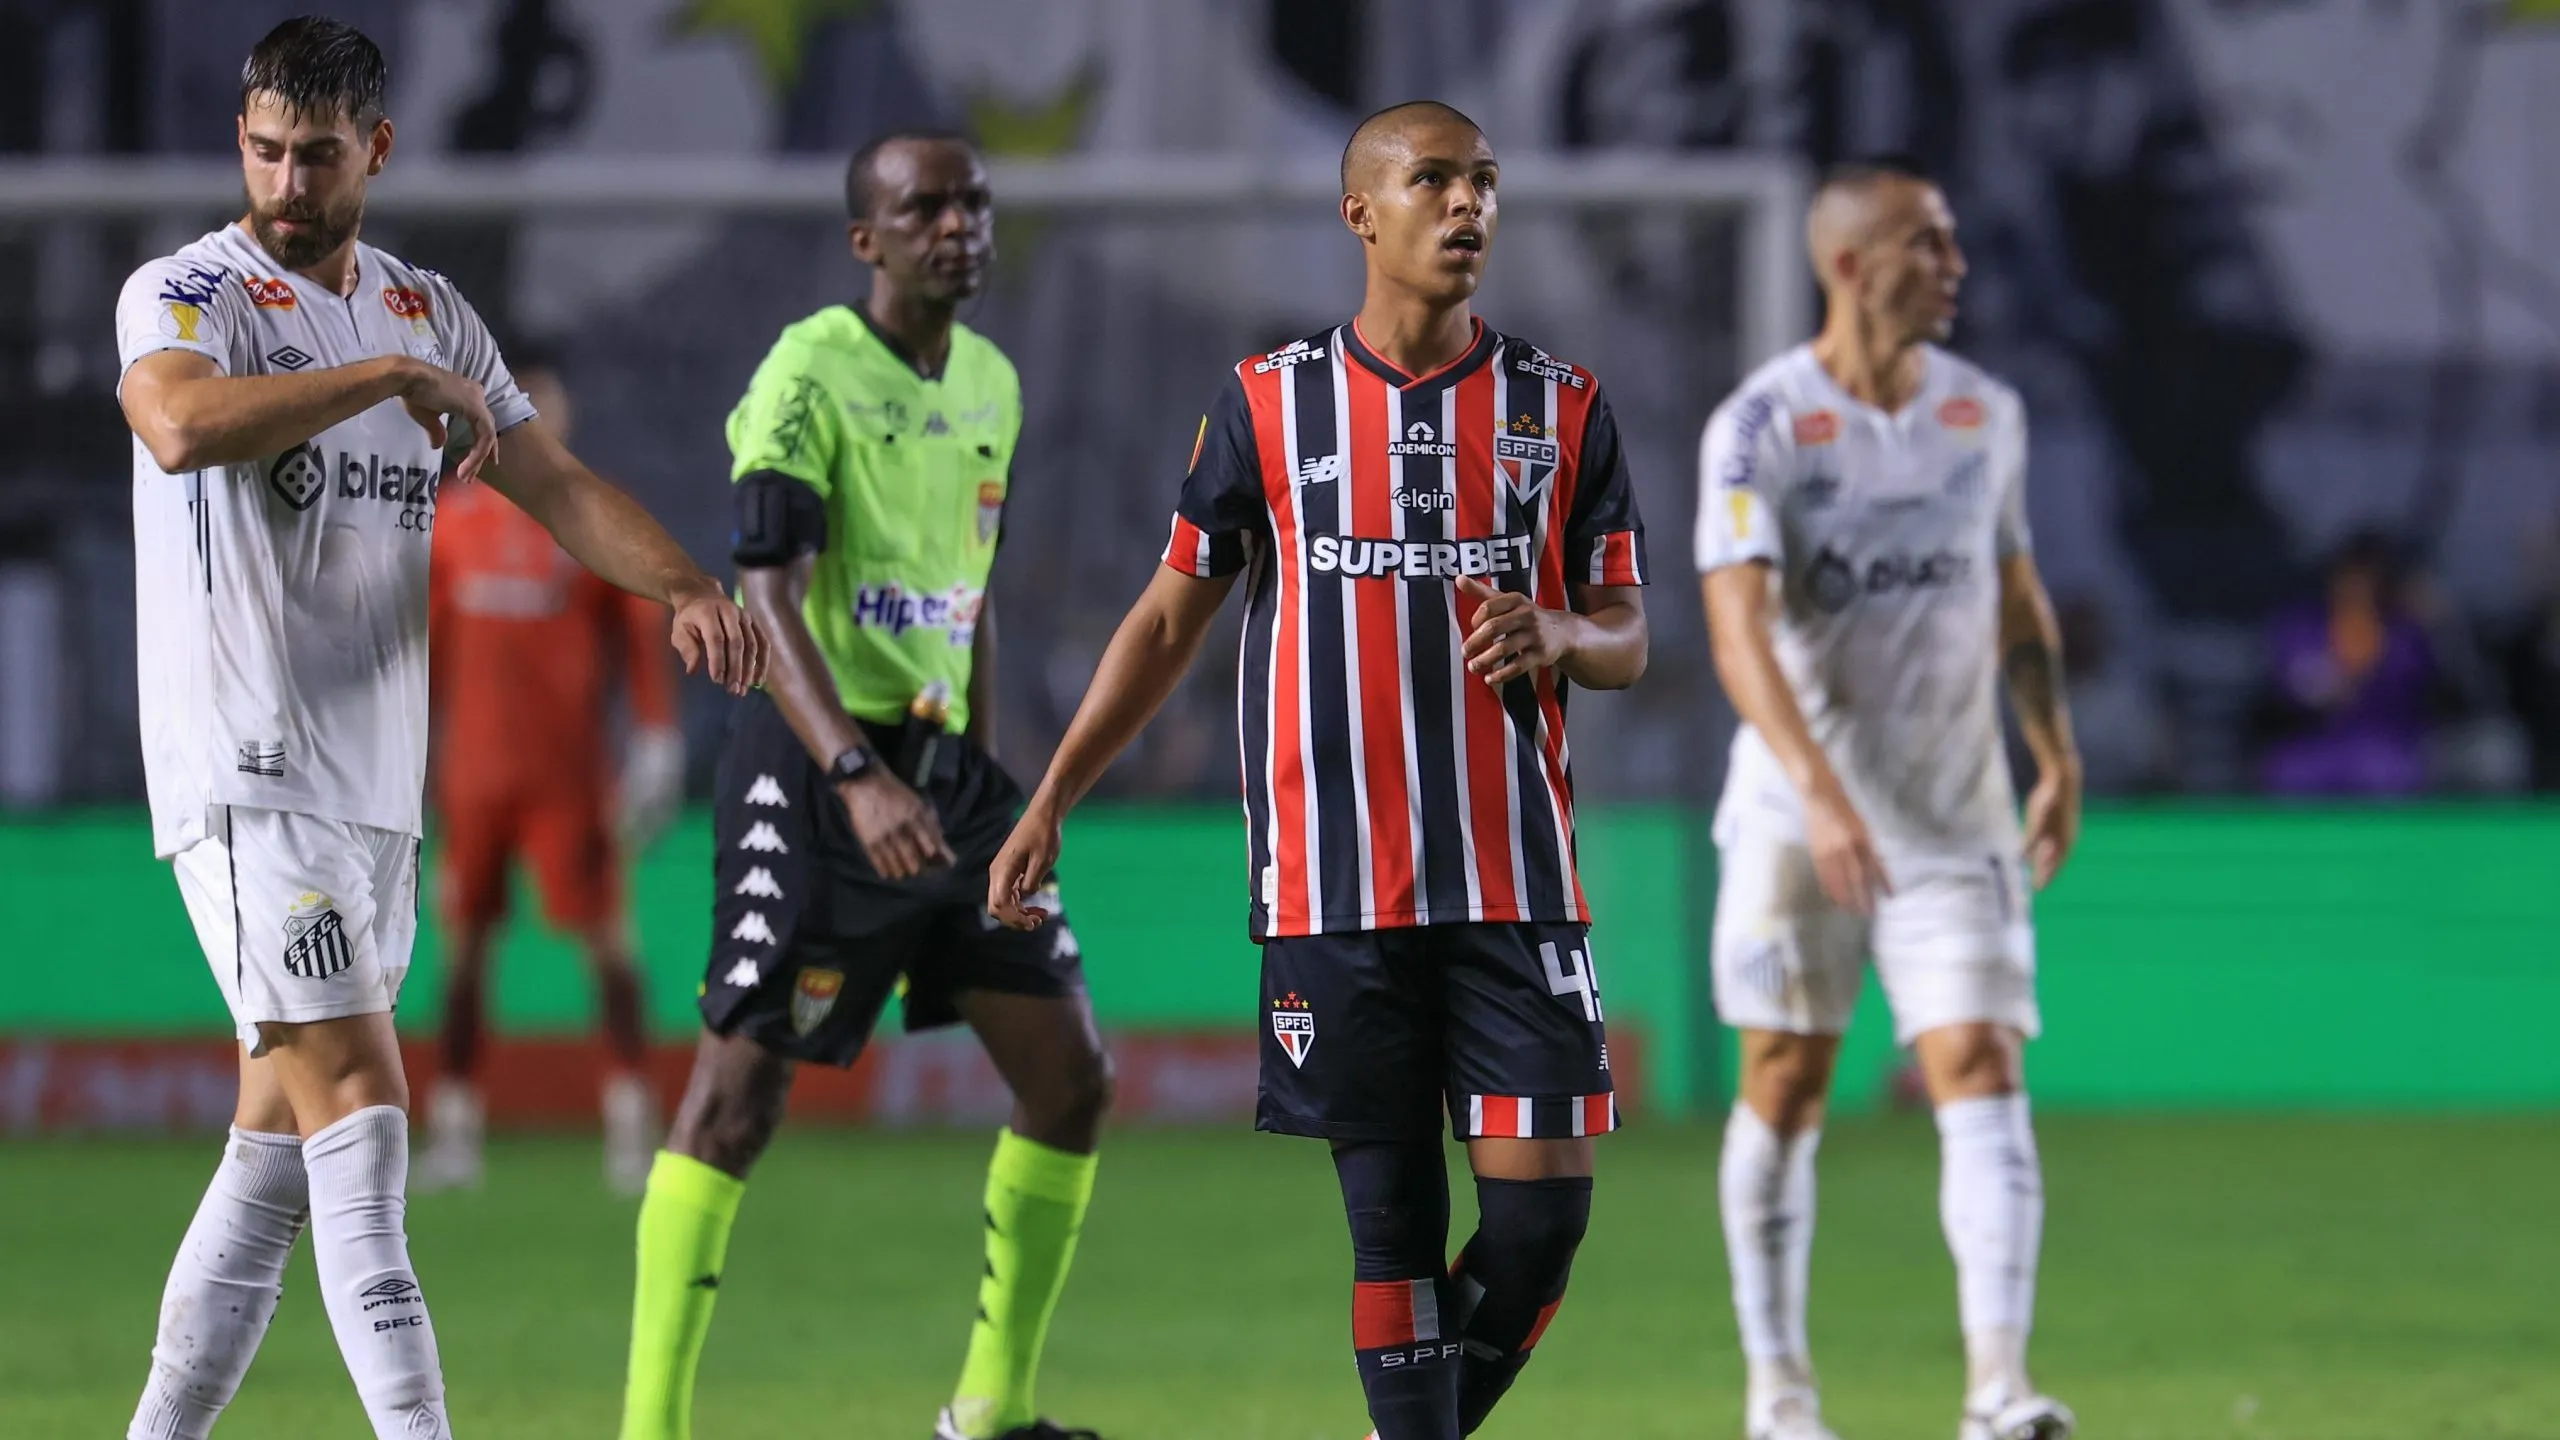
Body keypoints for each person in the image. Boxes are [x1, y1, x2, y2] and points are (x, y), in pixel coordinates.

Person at [112, 18, 764, 1440]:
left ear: (378, 153)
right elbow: (175, 427)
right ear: (243, 142)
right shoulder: (187, 293)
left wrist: (684, 589)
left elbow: (554, 481)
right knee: (362, 1107)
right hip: (249, 772)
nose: (289, 179)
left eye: (321, 155)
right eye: (268, 150)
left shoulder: (430, 313)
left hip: (373, 797)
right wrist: (386, 388)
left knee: (277, 1145)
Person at [986, 101, 1650, 1440]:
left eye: (1484, 184)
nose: (1468, 208)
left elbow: (1629, 632)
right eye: (1434, 183)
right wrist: (1052, 794)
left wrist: (1568, 629)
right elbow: (1170, 614)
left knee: (1538, 1225)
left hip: (1514, 880)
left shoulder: (1562, 409)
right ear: (1361, 212)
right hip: (1334, 896)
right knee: (1393, 1240)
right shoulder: (1265, 407)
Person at [617, 132, 1111, 1440]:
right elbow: (765, 590)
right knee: (736, 1102)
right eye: (924, 207)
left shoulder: (994, 381)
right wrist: (852, 775)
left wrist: (991, 784)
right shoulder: (806, 373)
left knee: (1071, 1076)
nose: (958, 225)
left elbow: (976, 593)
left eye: (974, 203)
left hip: (947, 774)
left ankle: (991, 1414)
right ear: (867, 241)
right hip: (816, 760)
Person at [1695, 159, 2081, 1440]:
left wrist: (2054, 752)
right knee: (1786, 1084)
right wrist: (1819, 791)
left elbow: (2015, 597)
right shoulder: (1758, 426)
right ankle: (1781, 1395)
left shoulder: (1985, 414)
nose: (1954, 266)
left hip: (1955, 812)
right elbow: (1736, 632)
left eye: (1953, 242)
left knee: (1979, 1063)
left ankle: (1997, 1389)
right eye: (1928, 244)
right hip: (1796, 826)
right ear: (1851, 265)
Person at [418, 350, 687, 1195]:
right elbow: (422, 660)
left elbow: (639, 643)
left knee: (610, 946)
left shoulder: (587, 515)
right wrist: (406, 771)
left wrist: (654, 742)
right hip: (475, 780)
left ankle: (630, 1124)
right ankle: (455, 1132)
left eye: (545, 399)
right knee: (463, 955)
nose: (535, 411)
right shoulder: (449, 525)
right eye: (519, 396)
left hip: (570, 781)